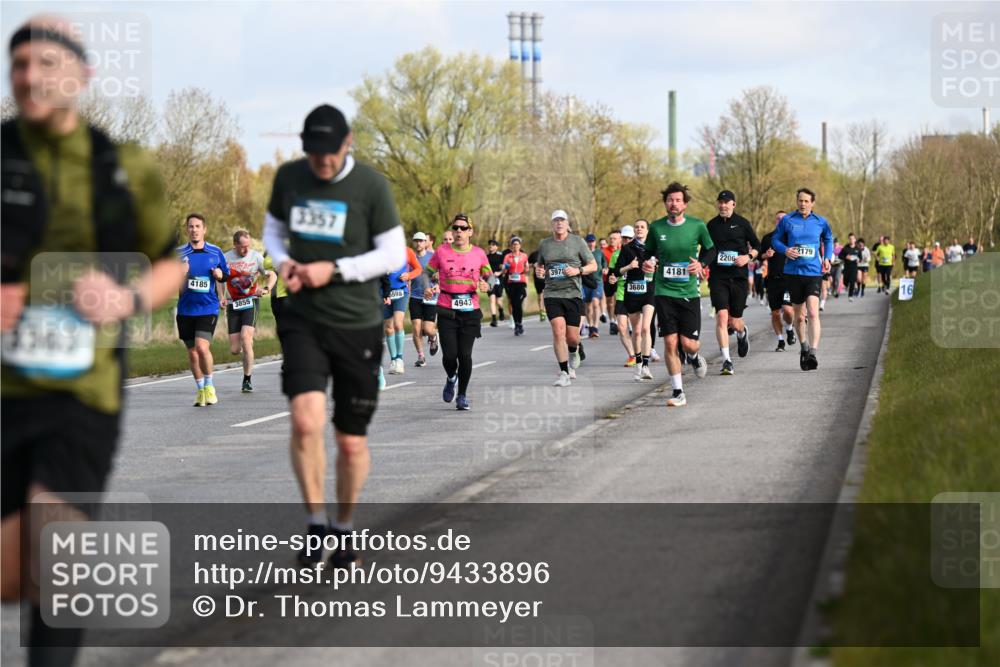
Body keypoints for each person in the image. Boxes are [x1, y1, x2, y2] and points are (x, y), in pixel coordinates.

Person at [1, 16, 184, 667]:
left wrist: (126, 298)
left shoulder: (124, 168)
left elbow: (169, 264)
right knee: (14, 574)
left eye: (46, 63)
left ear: (82, 75)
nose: (30, 77)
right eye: (19, 64)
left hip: (84, 391)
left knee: (57, 550)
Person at [262, 104, 404, 569]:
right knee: (305, 422)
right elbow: (273, 231)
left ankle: (343, 528)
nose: (321, 161)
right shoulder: (290, 178)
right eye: (313, 152)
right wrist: (284, 261)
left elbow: (393, 254)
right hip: (303, 319)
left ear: (348, 142)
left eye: (329, 152)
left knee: (349, 441)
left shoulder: (370, 186)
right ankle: (315, 522)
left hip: (356, 322)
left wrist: (334, 270)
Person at [641, 182, 714, 407]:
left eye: (678, 200)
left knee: (689, 344)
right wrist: (648, 263)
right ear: (665, 203)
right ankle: (678, 391)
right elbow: (648, 252)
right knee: (670, 342)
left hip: (689, 292)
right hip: (664, 291)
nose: (674, 204)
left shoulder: (697, 225)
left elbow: (711, 250)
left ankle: (694, 357)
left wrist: (701, 264)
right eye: (670, 200)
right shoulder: (656, 227)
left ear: (685, 204)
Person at [425, 214, 491, 410]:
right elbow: (427, 272)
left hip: (470, 310)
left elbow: (490, 276)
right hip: (446, 308)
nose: (459, 231)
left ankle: (462, 395)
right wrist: (427, 286)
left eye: (463, 228)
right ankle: (451, 377)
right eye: (456, 228)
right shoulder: (442, 251)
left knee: (465, 355)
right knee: (449, 356)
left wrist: (488, 285)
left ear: (470, 231)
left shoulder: (479, 253)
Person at [770, 188, 833, 371]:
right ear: (796, 201)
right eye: (800, 200)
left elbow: (828, 239)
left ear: (812, 203)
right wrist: (785, 250)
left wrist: (827, 257)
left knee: (813, 312)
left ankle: (812, 352)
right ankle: (804, 346)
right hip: (793, 273)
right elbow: (775, 240)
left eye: (806, 201)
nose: (803, 204)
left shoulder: (821, 222)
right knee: (799, 317)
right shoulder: (788, 220)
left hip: (813, 272)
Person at [534, 210, 598, 387]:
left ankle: (573, 351)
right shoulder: (545, 244)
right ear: (552, 224)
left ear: (567, 223)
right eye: (556, 220)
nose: (559, 223)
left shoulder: (578, 242)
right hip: (552, 294)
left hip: (573, 294)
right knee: (558, 331)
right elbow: (539, 265)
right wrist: (539, 271)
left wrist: (578, 270)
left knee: (573, 338)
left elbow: (593, 265)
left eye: (562, 220)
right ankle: (564, 372)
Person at [177, 214, 230, 406]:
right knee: (192, 353)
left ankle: (209, 386)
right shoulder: (178, 254)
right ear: (187, 230)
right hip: (185, 309)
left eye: (197, 226)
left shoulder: (215, 252)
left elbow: (226, 275)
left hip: (208, 307)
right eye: (191, 226)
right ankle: (200, 390)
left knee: (201, 347)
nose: (194, 230)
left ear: (204, 229)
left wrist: (220, 274)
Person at [706, 190, 759, 375]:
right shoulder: (711, 225)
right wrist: (702, 264)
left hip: (738, 277)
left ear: (733, 204)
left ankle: (742, 333)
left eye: (726, 202)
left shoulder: (743, 223)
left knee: (735, 322)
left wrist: (748, 257)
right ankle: (727, 361)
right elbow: (707, 249)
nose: (723, 205)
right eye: (720, 202)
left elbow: (757, 245)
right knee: (721, 316)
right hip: (718, 277)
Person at [222, 230, 276, 393]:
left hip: (251, 301)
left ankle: (247, 380)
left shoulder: (256, 257)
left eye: (248, 246)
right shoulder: (225, 258)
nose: (246, 250)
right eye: (243, 246)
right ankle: (247, 344)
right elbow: (220, 279)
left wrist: (266, 288)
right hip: (233, 304)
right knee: (235, 350)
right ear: (235, 245)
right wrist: (221, 296)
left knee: (246, 337)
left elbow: (272, 275)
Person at [613, 220, 657, 380]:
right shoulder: (627, 248)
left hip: (649, 291)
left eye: (642, 227)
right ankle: (638, 363)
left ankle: (645, 365)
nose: (639, 229)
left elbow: (662, 264)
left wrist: (655, 266)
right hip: (632, 292)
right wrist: (629, 267)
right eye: (637, 227)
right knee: (636, 331)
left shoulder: (654, 247)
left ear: (647, 230)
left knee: (646, 328)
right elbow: (616, 271)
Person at [760, 211, 797, 350]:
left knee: (788, 310)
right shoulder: (768, 238)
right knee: (775, 312)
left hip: (788, 279)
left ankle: (789, 328)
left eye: (783, 219)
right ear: (775, 221)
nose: (780, 221)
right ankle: (780, 340)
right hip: (773, 280)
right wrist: (766, 255)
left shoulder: (793, 237)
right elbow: (759, 256)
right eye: (778, 219)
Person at [383, 244, 422, 374]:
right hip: (385, 293)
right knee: (388, 327)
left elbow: (418, 269)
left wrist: (409, 275)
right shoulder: (381, 251)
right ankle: (393, 360)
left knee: (398, 323)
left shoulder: (407, 251)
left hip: (401, 292)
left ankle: (399, 359)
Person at [408, 232, 438, 366]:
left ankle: (433, 337)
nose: (419, 243)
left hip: (430, 297)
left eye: (421, 241)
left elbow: (442, 273)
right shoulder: (410, 258)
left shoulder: (433, 257)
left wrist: (437, 283)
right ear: (413, 242)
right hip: (414, 296)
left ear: (426, 242)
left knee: (428, 329)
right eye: (416, 241)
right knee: (416, 329)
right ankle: (421, 356)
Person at [502, 236, 530, 336]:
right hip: (511, 283)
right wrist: (507, 266)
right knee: (513, 304)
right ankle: (517, 325)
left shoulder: (524, 256)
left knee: (518, 303)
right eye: (513, 244)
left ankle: (519, 323)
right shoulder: (507, 256)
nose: (515, 246)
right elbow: (504, 271)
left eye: (517, 244)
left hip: (521, 282)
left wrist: (526, 269)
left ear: (520, 245)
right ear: (511, 246)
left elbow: (527, 270)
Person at [584, 233, 607, 339]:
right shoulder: (583, 253)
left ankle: (596, 327)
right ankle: (590, 326)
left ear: (595, 242)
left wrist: (605, 268)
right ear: (586, 242)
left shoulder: (599, 252)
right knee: (588, 306)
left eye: (592, 241)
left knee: (595, 302)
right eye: (589, 241)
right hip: (586, 281)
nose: (591, 243)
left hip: (598, 281)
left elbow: (604, 262)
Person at [604, 229, 622, 335]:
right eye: (610, 238)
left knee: (616, 299)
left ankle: (616, 322)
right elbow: (600, 263)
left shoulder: (624, 250)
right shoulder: (604, 251)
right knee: (609, 302)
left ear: (620, 239)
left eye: (614, 238)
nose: (612, 240)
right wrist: (604, 268)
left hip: (619, 279)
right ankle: (611, 320)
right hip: (607, 279)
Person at [486, 239, 506, 327]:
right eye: (490, 244)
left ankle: (501, 309)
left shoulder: (501, 256)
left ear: (496, 247)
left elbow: (505, 268)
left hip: (498, 279)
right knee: (492, 298)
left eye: (493, 245)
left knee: (498, 300)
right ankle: (494, 319)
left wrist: (499, 272)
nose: (491, 246)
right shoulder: (486, 257)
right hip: (490, 279)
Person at [838, 233, 862, 302]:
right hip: (846, 267)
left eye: (852, 239)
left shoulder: (858, 248)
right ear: (849, 239)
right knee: (845, 281)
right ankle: (847, 286)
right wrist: (846, 257)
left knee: (852, 281)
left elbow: (860, 257)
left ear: (855, 240)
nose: (851, 240)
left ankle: (850, 296)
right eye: (850, 239)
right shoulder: (846, 248)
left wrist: (859, 260)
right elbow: (840, 256)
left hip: (854, 267)